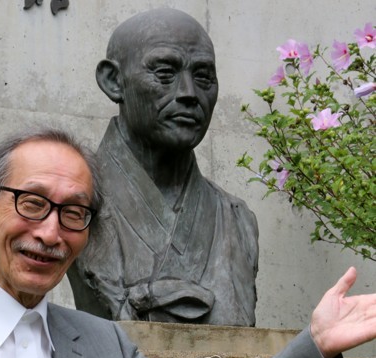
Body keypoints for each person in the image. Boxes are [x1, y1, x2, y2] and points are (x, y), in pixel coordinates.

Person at [0, 128, 375, 358]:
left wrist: (317, 344)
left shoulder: (105, 343)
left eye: (74, 213)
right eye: (31, 203)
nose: (51, 233)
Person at [68, 8, 259, 326]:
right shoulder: (72, 206)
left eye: (203, 77)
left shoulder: (237, 218)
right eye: (165, 74)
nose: (189, 93)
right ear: (114, 82)